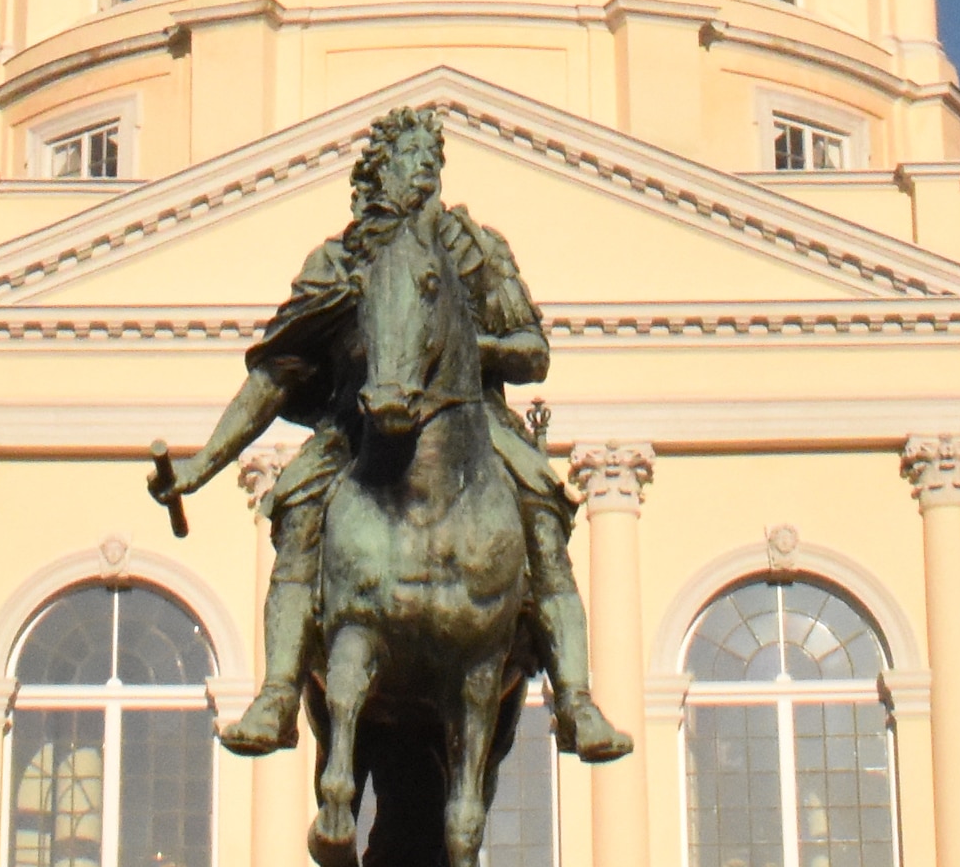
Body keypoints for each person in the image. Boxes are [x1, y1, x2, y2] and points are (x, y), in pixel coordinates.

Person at [148, 106, 633, 762]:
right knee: (297, 508)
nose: (425, 167)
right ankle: (279, 692)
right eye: (409, 156)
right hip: (355, 428)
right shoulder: (339, 260)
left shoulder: (475, 249)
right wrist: (202, 464)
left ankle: (575, 699)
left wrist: (462, 346)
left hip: (472, 424)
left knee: (543, 511)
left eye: (432, 157)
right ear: (379, 173)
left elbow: (532, 353)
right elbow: (277, 375)